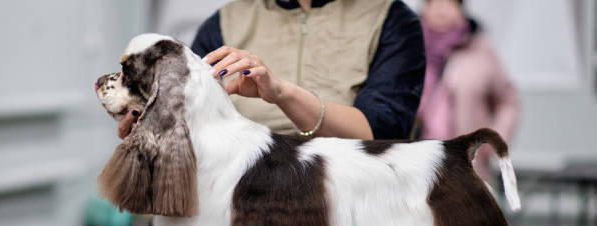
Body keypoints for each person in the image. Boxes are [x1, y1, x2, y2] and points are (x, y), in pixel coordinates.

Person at [118, 0, 425, 142]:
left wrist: (282, 93)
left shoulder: (390, 18)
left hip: (347, 198)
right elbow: (190, 118)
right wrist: (150, 125)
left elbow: (380, 134)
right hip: (238, 198)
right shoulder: (227, 20)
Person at [417, 0, 519, 180]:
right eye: (433, 3)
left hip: (467, 165)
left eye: (449, 3)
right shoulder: (406, 48)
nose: (441, 9)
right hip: (417, 163)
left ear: (461, 9)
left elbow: (508, 101)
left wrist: (494, 141)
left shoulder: (480, 49)